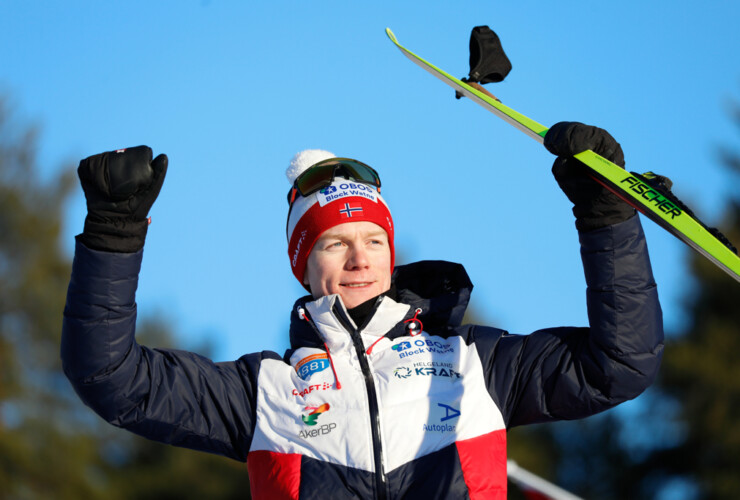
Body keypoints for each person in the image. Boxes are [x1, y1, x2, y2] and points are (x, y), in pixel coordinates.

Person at [62, 122, 664, 499]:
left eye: (375, 241)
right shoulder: (265, 391)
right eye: (335, 243)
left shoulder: (475, 362)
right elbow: (110, 378)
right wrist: (114, 236)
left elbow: (620, 363)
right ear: (303, 263)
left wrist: (605, 217)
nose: (360, 260)